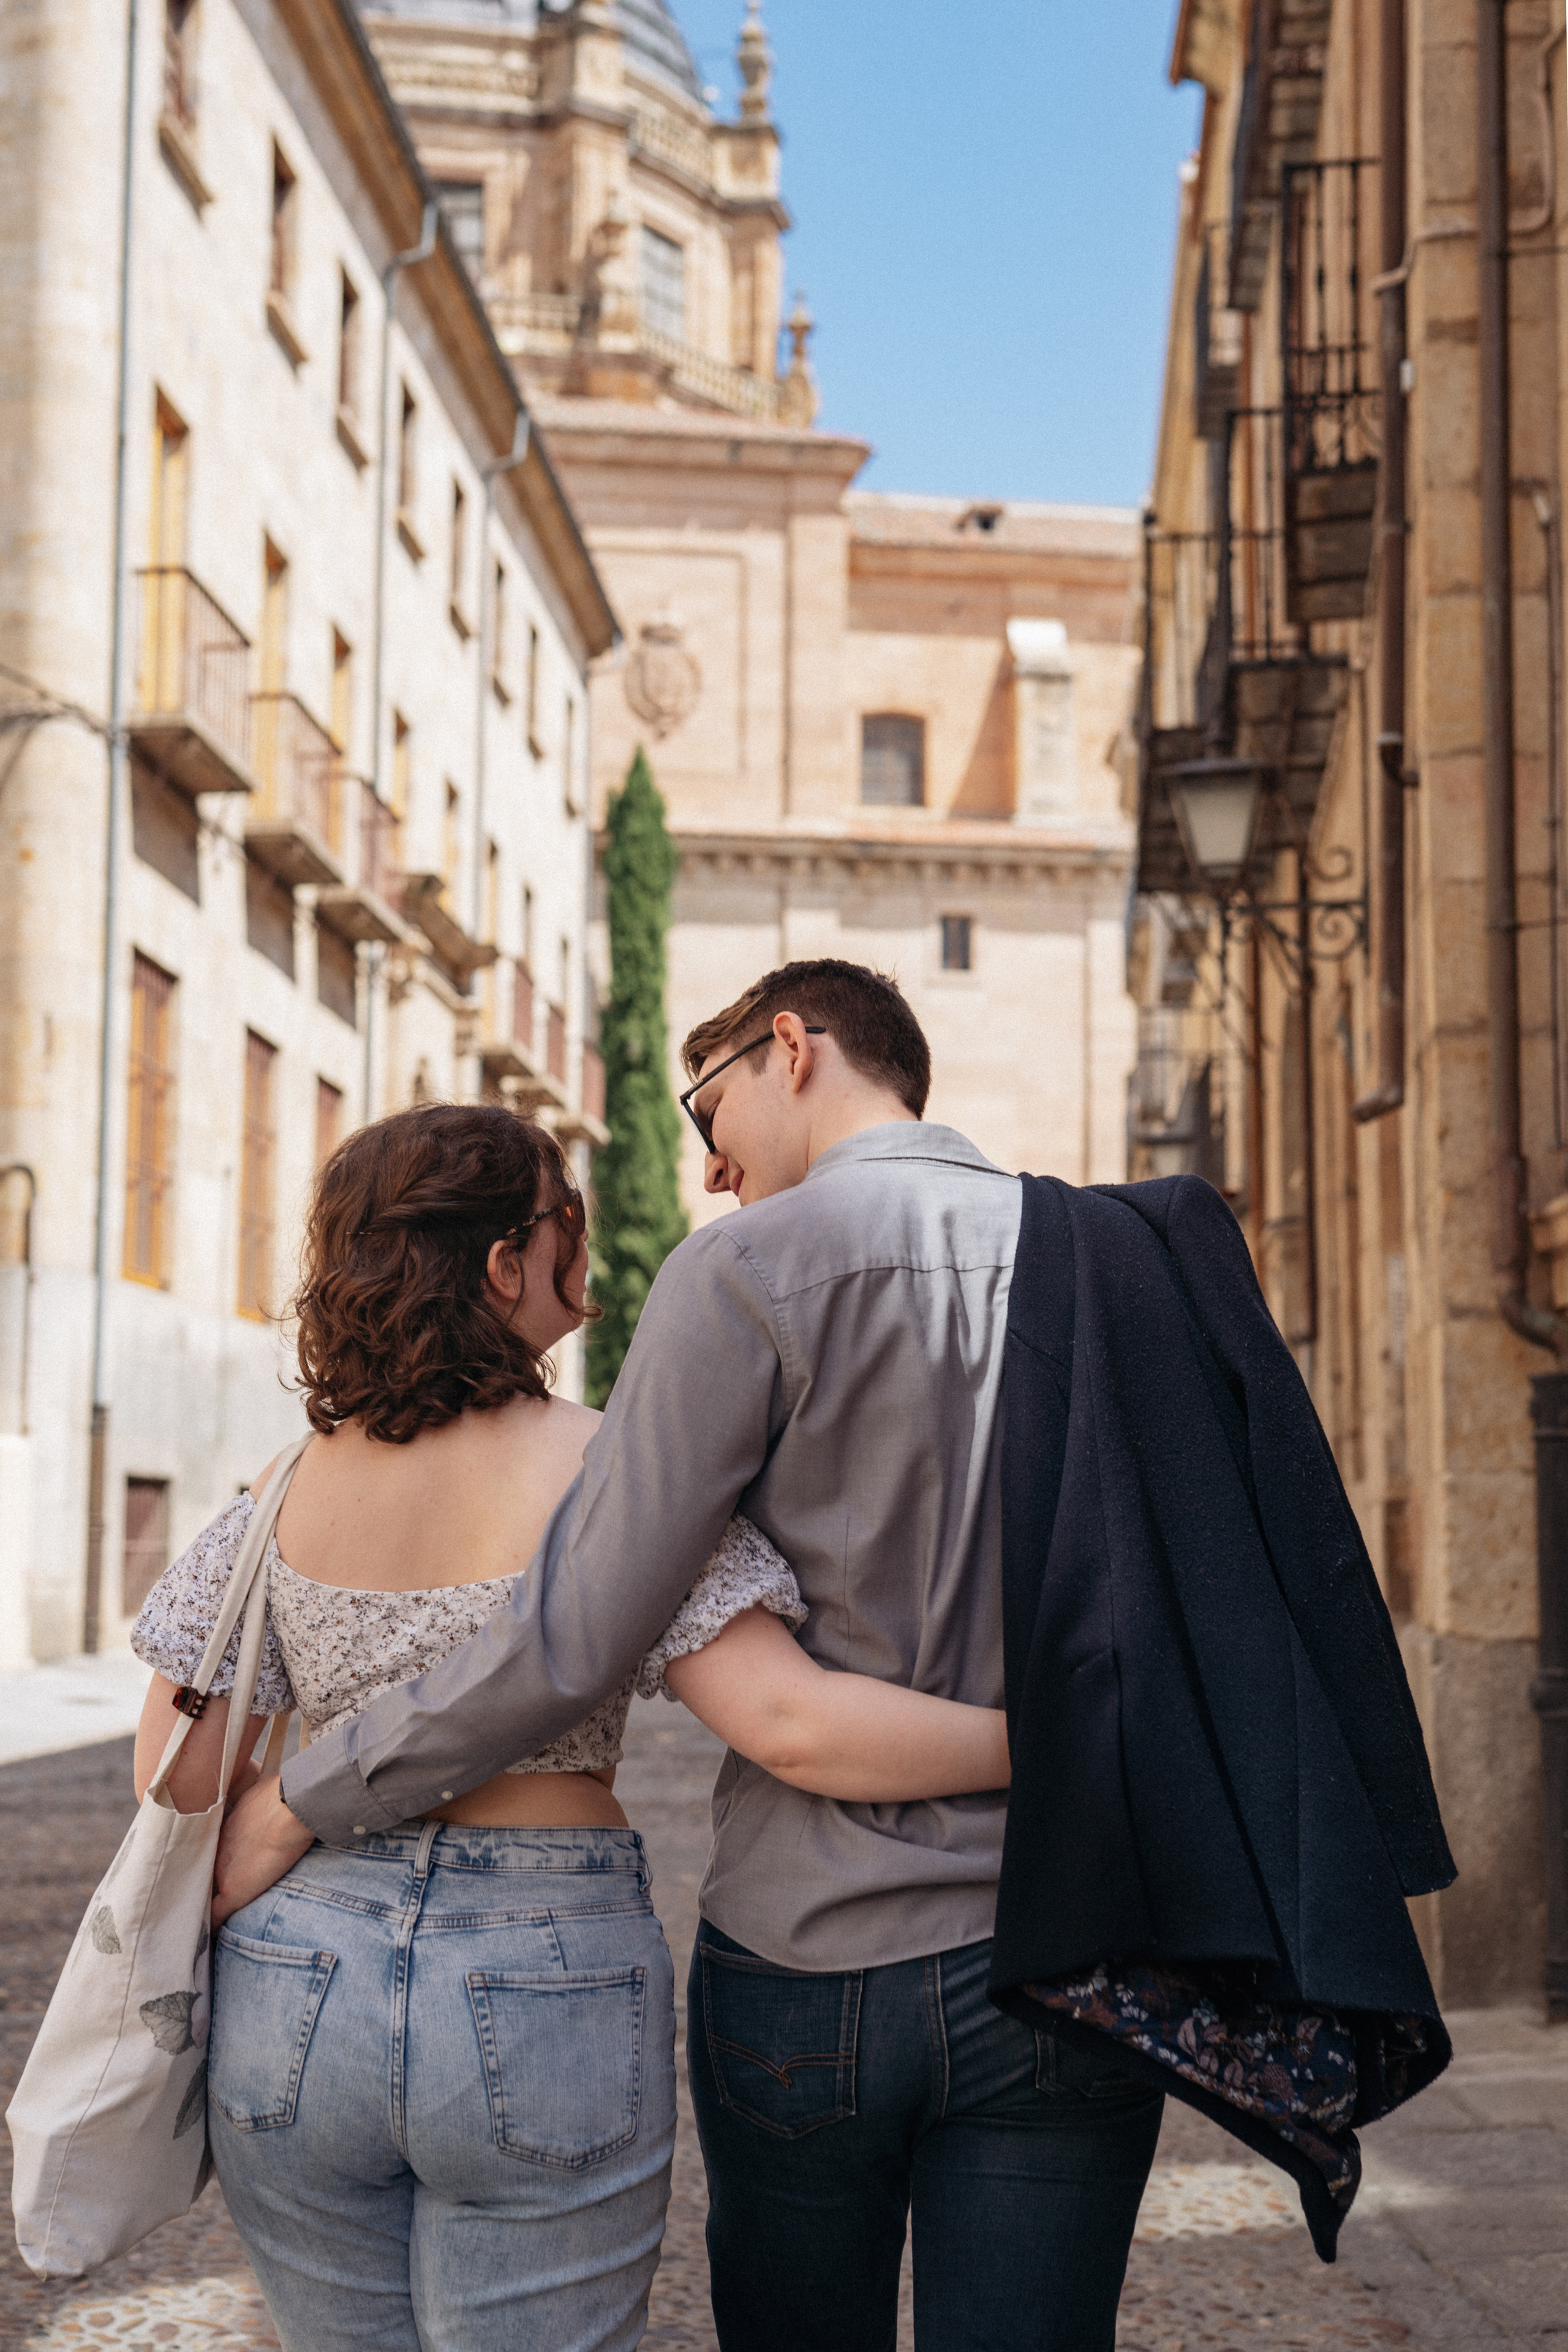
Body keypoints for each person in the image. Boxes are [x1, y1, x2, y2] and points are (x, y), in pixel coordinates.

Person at [217, 960, 1164, 2352]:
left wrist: (306, 1794)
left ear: (791, 1047)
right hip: (1069, 1921)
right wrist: (1101, 1744)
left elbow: (583, 1637)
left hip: (806, 1948)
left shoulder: (738, 1271)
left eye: (704, 1108)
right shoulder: (1115, 1256)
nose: (709, 1169)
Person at [129, 1099, 1010, 2352]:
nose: (584, 1250)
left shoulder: (284, 1485)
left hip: (297, 1972)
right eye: (569, 1220)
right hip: (543, 1969)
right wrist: (1046, 1743)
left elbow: (174, 1778)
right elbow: (791, 1725)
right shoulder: (615, 1473)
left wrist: (305, 1789)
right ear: (506, 1263)